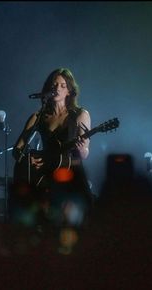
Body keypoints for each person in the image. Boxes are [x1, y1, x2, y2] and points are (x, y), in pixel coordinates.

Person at [11, 68, 92, 227]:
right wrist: (29, 159)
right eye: (54, 85)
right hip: (44, 174)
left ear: (69, 91)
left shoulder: (80, 114)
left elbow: (84, 153)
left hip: (69, 172)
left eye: (63, 85)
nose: (57, 88)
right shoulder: (39, 116)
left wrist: (82, 149)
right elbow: (17, 149)